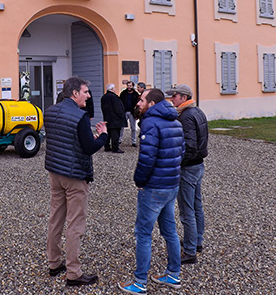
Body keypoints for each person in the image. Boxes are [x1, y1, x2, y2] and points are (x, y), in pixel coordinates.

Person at [119, 88, 185, 294]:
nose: (138, 103)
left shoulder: (149, 122)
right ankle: (173, 274)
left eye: (141, 100)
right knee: (170, 231)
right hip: (171, 185)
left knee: (143, 234)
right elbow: (181, 152)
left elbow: (147, 158)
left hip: (154, 187)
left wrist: (139, 180)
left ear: (152, 104)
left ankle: (140, 283)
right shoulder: (175, 121)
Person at [44, 77, 108, 287]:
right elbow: (89, 147)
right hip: (74, 175)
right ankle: (74, 272)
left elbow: (64, 140)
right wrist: (103, 136)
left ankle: (54, 263)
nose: (88, 96)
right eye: (86, 92)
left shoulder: (50, 111)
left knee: (56, 218)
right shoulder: (80, 117)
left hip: (56, 172)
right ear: (74, 94)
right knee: (75, 223)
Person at [166, 84, 208, 265]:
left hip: (189, 168)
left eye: (174, 96)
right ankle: (196, 241)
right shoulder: (197, 112)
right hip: (198, 165)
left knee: (186, 210)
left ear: (183, 97)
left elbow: (190, 146)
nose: (172, 99)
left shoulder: (186, 116)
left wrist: (177, 161)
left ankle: (190, 250)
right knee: (196, 205)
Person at [101, 83, 127, 153]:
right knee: (115, 134)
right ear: (112, 89)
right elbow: (118, 108)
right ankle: (115, 148)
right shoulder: (114, 97)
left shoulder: (104, 97)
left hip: (107, 118)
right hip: (115, 119)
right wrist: (121, 115)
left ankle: (107, 146)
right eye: (114, 88)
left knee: (108, 133)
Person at [120, 81, 140, 147]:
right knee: (121, 127)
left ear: (132, 86)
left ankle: (133, 141)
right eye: (128, 85)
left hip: (132, 112)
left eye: (130, 86)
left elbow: (138, 105)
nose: (129, 87)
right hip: (124, 112)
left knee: (133, 128)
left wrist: (137, 113)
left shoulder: (136, 94)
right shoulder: (123, 93)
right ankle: (119, 140)